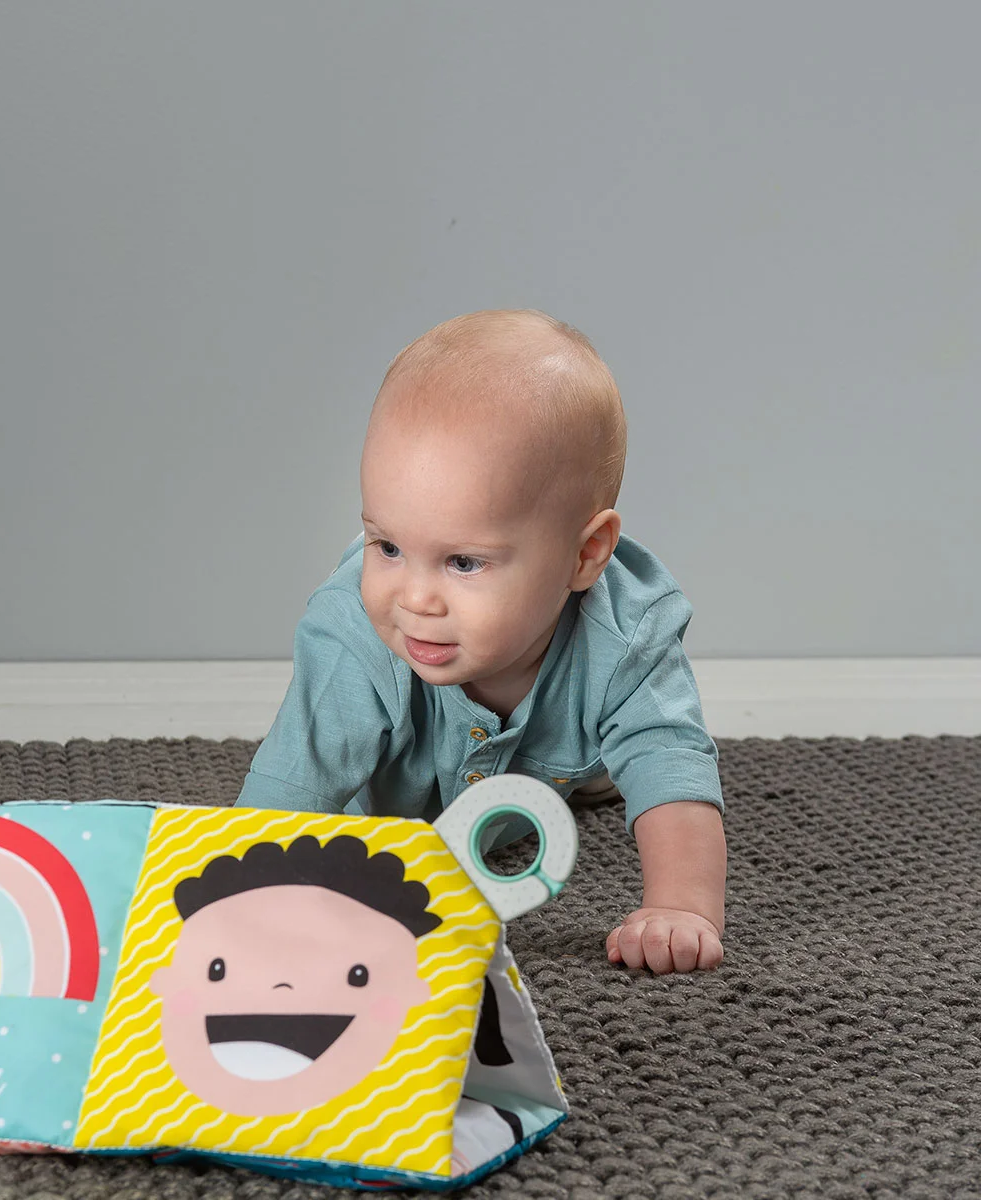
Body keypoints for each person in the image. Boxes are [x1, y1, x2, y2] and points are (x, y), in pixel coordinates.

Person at [235, 310, 726, 974]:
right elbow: (290, 788)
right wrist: (252, 907)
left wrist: (682, 908)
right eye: (388, 546)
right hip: (385, 812)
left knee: (634, 746)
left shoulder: (629, 633)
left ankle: (594, 763)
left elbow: (674, 766)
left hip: (550, 763)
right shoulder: (355, 630)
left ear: (585, 555)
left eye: (463, 562)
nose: (414, 599)